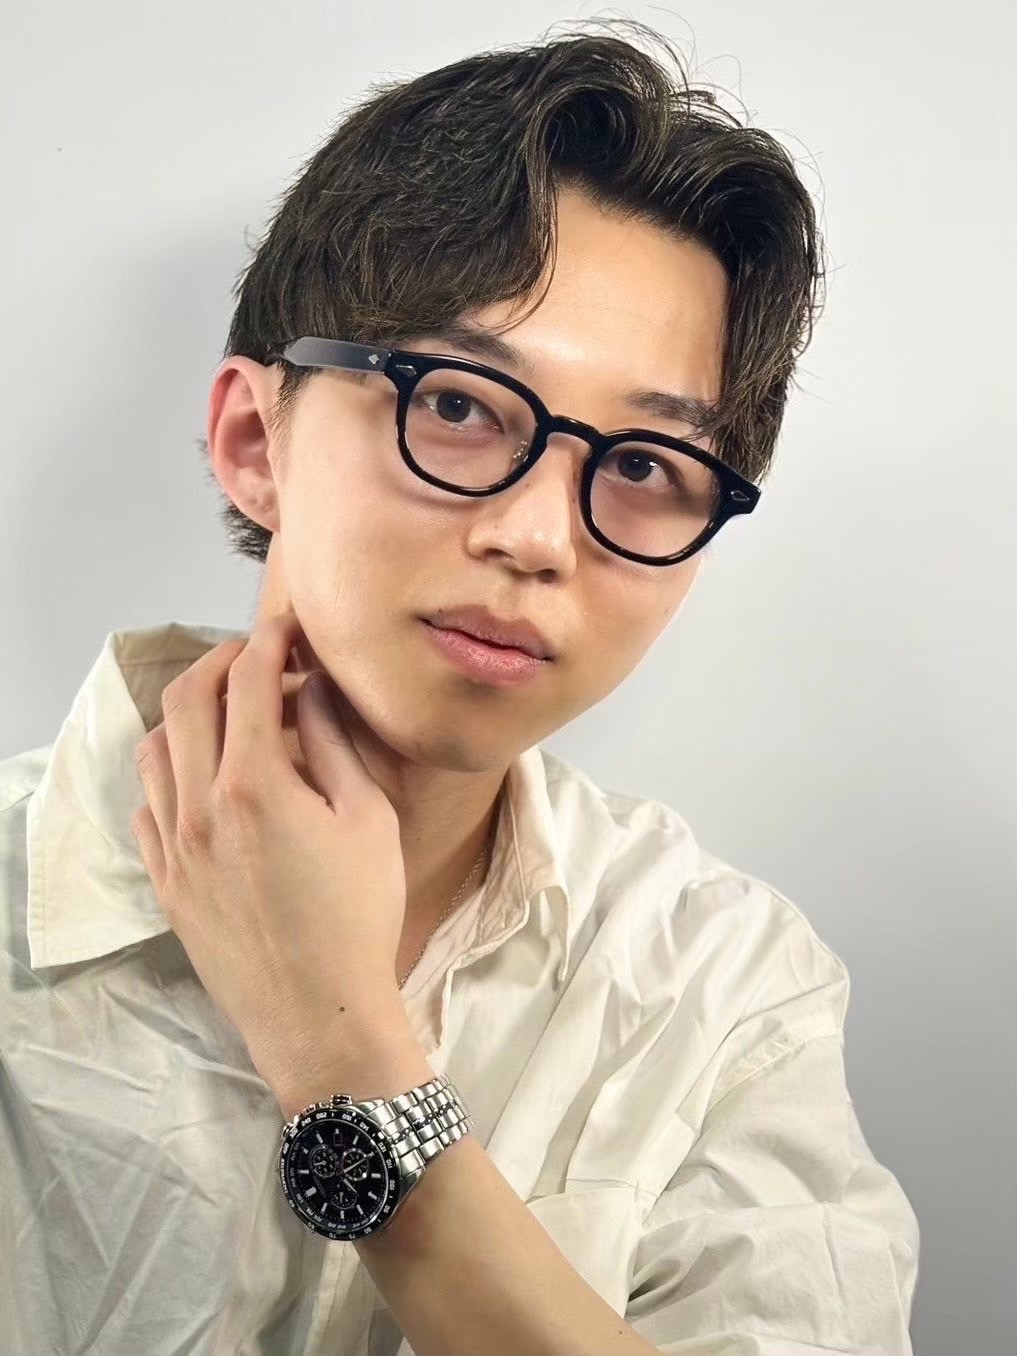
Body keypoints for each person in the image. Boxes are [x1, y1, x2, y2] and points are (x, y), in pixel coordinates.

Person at [0, 21, 919, 1356]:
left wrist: (344, 1056)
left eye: (643, 466)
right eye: (460, 406)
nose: (539, 538)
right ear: (255, 441)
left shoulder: (725, 985)